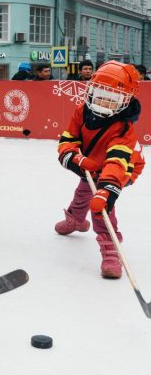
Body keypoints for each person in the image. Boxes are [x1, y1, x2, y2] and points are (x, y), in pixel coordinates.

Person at [54, 61, 144, 279]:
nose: (103, 101)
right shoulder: (82, 111)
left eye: (112, 99)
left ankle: (110, 249)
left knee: (101, 205)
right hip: (93, 163)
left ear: (125, 101)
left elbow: (117, 160)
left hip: (122, 167)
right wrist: (73, 155)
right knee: (84, 190)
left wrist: (107, 188)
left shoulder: (123, 128)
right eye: (100, 93)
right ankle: (76, 218)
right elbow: (69, 138)